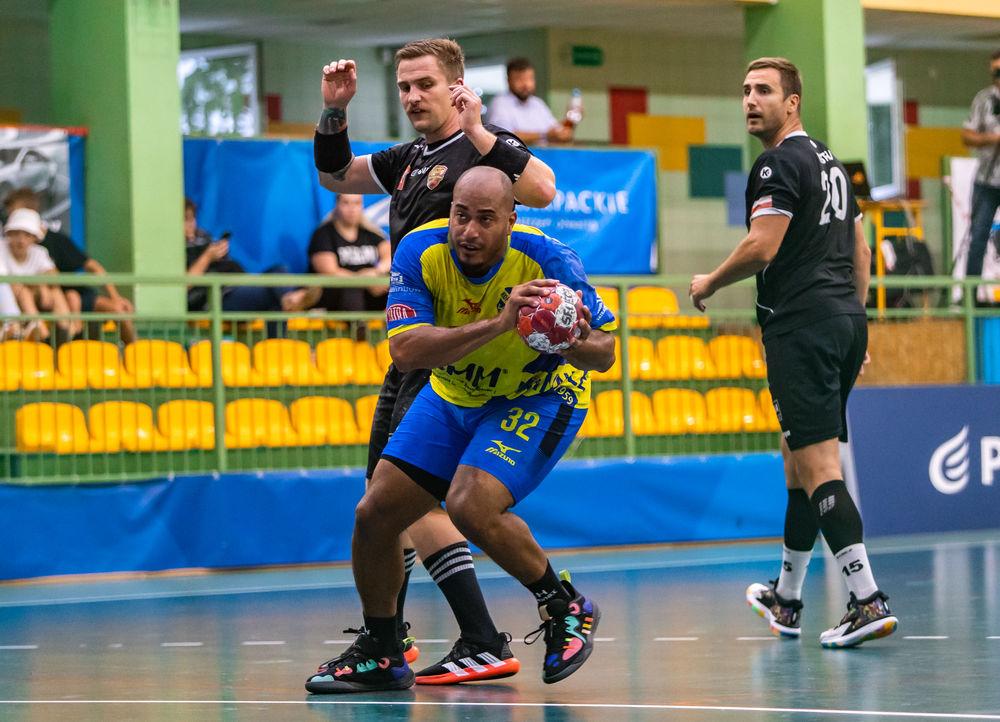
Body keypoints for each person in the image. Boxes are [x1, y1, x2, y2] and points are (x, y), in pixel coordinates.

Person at [306, 166, 615, 694]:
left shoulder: (550, 260)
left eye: (485, 219)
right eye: (460, 216)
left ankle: (565, 606)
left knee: (470, 504)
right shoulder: (420, 251)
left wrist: (566, 338)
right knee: (375, 514)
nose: (469, 231)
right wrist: (500, 323)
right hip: (454, 392)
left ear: (511, 221)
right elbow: (405, 350)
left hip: (538, 394)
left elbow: (604, 353)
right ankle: (383, 650)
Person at [310, 37, 558, 683]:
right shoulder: (409, 158)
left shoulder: (482, 147)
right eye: (404, 87)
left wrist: (477, 128)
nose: (414, 96)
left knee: (408, 504)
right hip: (412, 347)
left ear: (456, 86)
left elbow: (543, 188)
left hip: (451, 353)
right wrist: (334, 111)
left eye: (425, 84)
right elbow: (336, 175)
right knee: (380, 504)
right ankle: (388, 635)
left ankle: (473, 636)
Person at [689, 57, 898, 649]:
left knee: (819, 466)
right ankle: (787, 597)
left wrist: (710, 282)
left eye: (764, 90)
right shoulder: (831, 164)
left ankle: (866, 598)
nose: (750, 100)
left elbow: (762, 246)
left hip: (800, 326)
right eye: (745, 90)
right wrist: (853, 318)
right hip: (841, 320)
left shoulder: (777, 163)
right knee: (797, 461)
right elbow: (860, 251)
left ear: (792, 102)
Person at [5, 188, 136, 344]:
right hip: (39, 298)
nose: (21, 239)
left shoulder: (54, 242)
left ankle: (134, 353)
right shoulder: (6, 245)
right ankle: (54, 339)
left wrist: (116, 298)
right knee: (65, 296)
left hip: (63, 294)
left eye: (16, 213)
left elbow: (92, 267)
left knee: (116, 309)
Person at [184, 198, 299, 335]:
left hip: (236, 284)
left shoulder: (203, 237)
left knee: (279, 270)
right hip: (214, 298)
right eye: (186, 220)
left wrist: (219, 252)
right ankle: (295, 302)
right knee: (273, 295)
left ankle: (291, 300)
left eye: (192, 218)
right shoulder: (172, 248)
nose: (192, 224)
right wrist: (207, 256)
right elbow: (184, 286)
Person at [290, 193, 391, 313]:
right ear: (337, 205)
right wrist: (364, 280)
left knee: (393, 286)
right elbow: (330, 272)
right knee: (351, 291)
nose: (352, 209)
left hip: (368, 294)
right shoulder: (324, 234)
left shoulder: (370, 233)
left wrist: (377, 272)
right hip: (335, 296)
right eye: (346, 203)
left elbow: (390, 256)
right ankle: (356, 324)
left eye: (356, 203)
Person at [1, 207, 78, 342]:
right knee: (24, 292)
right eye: (16, 233)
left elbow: (54, 277)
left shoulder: (40, 252)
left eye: (27, 235)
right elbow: (8, 285)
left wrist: (41, 285)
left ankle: (66, 336)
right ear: (9, 234)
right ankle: (44, 336)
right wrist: (38, 284)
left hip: (35, 302)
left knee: (55, 292)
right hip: (10, 309)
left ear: (34, 238)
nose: (21, 240)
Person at [961, 50, 1000, 284]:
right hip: (987, 180)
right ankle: (971, 298)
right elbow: (967, 136)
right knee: (977, 239)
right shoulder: (984, 99)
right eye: (995, 71)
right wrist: (992, 139)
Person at [486, 57, 576, 145]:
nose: (526, 84)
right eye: (520, 79)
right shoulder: (500, 103)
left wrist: (571, 119)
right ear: (508, 81)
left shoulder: (538, 103)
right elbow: (504, 137)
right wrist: (544, 135)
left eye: (530, 78)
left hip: (542, 154)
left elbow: (555, 132)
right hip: (515, 155)